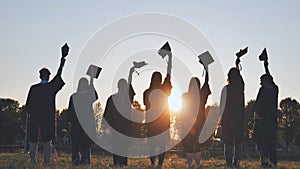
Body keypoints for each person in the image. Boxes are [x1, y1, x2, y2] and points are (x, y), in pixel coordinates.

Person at [25, 43, 69, 164]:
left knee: (34, 141)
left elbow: (28, 106)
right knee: (47, 142)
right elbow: (59, 74)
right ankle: (46, 162)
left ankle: (33, 161)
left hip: (35, 119)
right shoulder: (50, 88)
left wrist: (31, 114)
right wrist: (62, 59)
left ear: (40, 75)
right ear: (49, 76)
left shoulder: (33, 88)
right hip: (47, 119)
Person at [103, 66, 136, 167]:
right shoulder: (112, 98)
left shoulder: (128, 98)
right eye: (122, 86)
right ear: (118, 86)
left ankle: (123, 164)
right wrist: (106, 127)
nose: (123, 87)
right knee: (117, 147)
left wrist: (130, 73)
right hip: (116, 127)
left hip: (125, 127)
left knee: (124, 148)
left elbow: (130, 86)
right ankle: (117, 164)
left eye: (124, 86)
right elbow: (107, 113)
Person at [143, 53, 172, 168]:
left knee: (152, 144)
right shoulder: (163, 89)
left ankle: (152, 163)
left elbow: (146, 105)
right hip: (163, 121)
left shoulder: (146, 92)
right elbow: (169, 76)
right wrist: (170, 60)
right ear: (160, 80)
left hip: (151, 122)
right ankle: (159, 164)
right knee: (162, 144)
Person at [181, 67, 211, 169]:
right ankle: (198, 165)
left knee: (189, 148)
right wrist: (206, 69)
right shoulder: (201, 95)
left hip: (187, 126)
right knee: (197, 147)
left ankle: (190, 165)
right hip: (200, 125)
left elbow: (182, 112)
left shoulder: (185, 96)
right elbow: (206, 83)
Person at [252, 60, 278, 168]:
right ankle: (272, 163)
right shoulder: (275, 90)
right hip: (272, 122)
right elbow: (271, 80)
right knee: (271, 143)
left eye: (261, 81)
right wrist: (266, 66)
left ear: (264, 81)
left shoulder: (263, 90)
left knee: (261, 144)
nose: (260, 83)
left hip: (261, 121)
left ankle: (265, 161)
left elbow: (257, 105)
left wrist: (254, 114)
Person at [219, 58, 245, 167]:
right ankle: (237, 161)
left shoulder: (226, 89)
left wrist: (220, 119)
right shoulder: (240, 88)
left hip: (227, 118)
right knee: (238, 141)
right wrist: (237, 64)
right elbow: (241, 79)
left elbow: (222, 105)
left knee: (228, 142)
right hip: (239, 118)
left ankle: (229, 162)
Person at [67, 76, 98, 165]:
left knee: (76, 148)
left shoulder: (74, 97)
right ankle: (86, 164)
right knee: (85, 147)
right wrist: (91, 80)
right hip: (86, 126)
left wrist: (70, 123)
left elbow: (70, 113)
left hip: (76, 125)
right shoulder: (88, 96)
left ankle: (76, 163)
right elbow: (95, 96)